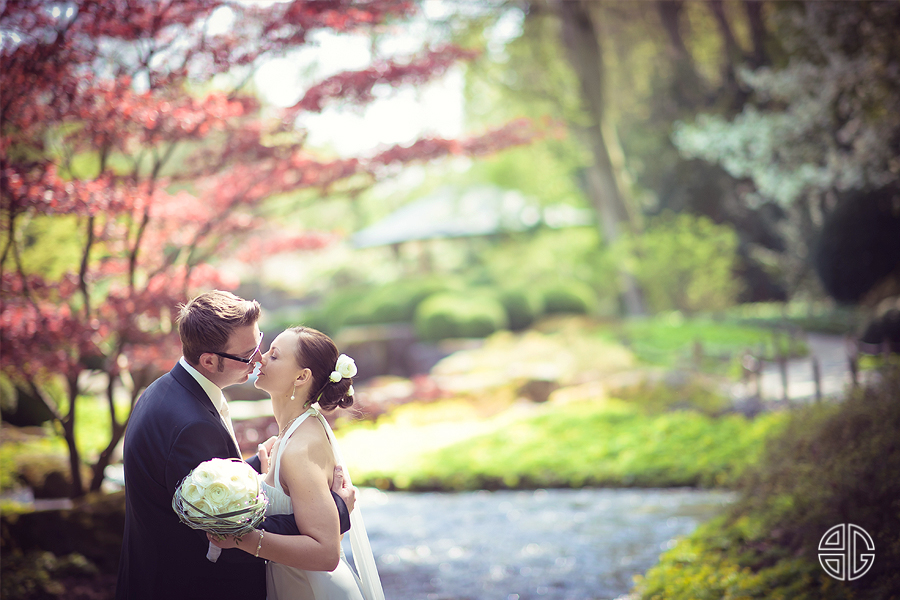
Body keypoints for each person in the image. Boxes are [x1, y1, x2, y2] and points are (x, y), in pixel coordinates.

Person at [116, 291, 355, 600]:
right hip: (186, 586)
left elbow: (213, 486)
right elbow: (222, 527)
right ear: (209, 360)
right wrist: (338, 510)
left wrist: (256, 467)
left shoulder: (166, 390)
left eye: (261, 345)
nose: (259, 359)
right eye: (248, 353)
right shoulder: (192, 425)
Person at [209, 326, 384, 600]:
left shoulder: (298, 449)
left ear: (302, 377)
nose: (261, 358)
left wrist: (243, 539)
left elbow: (326, 553)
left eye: (275, 356)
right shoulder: (291, 436)